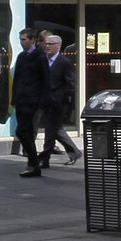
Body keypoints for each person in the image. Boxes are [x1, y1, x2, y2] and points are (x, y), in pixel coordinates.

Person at [10, 26, 47, 177]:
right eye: (20, 39)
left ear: (32, 40)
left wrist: (42, 102)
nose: (21, 42)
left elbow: (46, 80)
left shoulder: (40, 56)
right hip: (21, 100)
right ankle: (33, 164)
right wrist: (14, 98)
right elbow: (17, 79)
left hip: (32, 100)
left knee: (21, 131)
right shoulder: (21, 57)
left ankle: (33, 162)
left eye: (24, 39)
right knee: (25, 132)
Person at [39, 33, 81, 165]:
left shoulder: (64, 62)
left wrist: (60, 96)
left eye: (50, 44)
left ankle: (46, 158)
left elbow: (71, 83)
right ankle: (71, 153)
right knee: (52, 130)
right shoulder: (43, 60)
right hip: (46, 101)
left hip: (59, 103)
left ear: (58, 46)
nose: (47, 46)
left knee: (54, 130)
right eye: (46, 44)